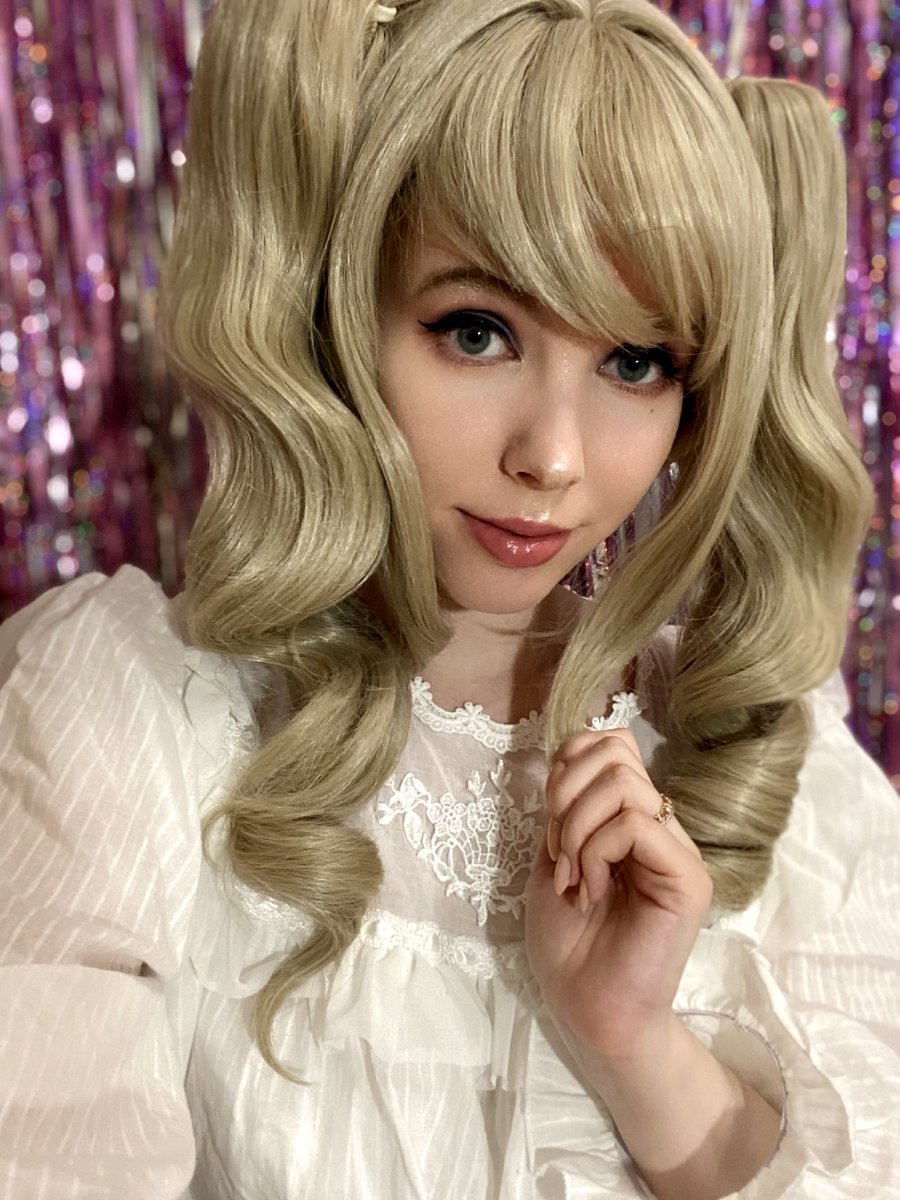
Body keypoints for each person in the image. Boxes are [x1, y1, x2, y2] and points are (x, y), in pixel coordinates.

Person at [0, 2, 897, 1197]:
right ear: (333, 311)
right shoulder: (129, 717)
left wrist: (632, 1043)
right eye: (477, 332)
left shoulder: (768, 752)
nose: (554, 458)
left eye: (636, 363)